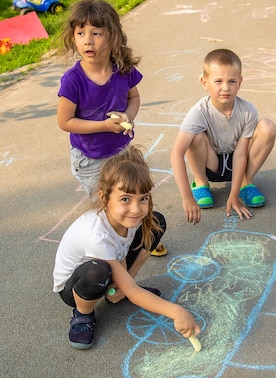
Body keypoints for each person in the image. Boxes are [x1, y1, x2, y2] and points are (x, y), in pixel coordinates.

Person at [53, 145, 200, 350]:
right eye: (125, 199)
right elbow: (112, 254)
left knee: (155, 223)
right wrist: (176, 312)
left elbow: (120, 250)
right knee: (98, 271)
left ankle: (121, 289)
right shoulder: (97, 235)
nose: (135, 208)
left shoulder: (128, 219)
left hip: (109, 266)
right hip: (76, 286)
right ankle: (82, 314)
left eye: (143, 199)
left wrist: (124, 286)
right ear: (104, 197)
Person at [57, 0, 166, 256]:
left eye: (96, 33)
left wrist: (128, 115)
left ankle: (143, 237)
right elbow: (65, 122)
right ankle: (110, 252)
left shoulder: (122, 69)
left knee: (135, 195)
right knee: (108, 208)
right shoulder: (73, 81)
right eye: (80, 33)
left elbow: (134, 97)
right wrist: (105, 125)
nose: (87, 40)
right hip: (90, 158)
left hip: (121, 152)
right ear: (73, 37)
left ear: (112, 36)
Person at [170, 48, 276, 224]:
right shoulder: (199, 111)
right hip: (211, 164)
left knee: (267, 127)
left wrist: (233, 195)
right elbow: (176, 154)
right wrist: (186, 197)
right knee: (194, 136)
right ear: (204, 82)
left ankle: (245, 183)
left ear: (240, 82)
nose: (225, 88)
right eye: (218, 81)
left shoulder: (248, 110)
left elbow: (241, 153)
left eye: (232, 81)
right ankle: (200, 183)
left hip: (237, 162)